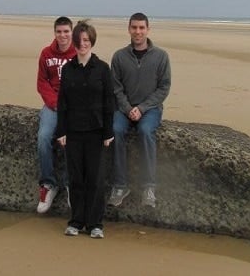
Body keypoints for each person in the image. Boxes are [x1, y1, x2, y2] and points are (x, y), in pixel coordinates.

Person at [56, 20, 114, 239]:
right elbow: (62, 103)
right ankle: (76, 221)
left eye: (86, 40)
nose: (82, 44)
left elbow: (109, 102)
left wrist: (108, 132)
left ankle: (95, 224)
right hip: (73, 132)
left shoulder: (102, 69)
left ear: (92, 41)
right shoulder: (68, 69)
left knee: (96, 179)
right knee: (76, 178)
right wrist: (61, 131)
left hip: (96, 132)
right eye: (79, 41)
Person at [108, 12, 171, 208]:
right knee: (116, 131)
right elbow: (115, 88)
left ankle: (149, 187)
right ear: (129, 29)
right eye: (134, 27)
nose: (138, 31)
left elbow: (164, 87)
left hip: (150, 109)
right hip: (123, 108)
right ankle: (119, 186)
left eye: (142, 28)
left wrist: (142, 108)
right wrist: (128, 109)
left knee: (145, 131)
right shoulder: (119, 56)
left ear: (148, 29)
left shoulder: (161, 56)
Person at [36, 16, 76, 214]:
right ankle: (48, 184)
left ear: (72, 32)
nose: (63, 35)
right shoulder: (46, 53)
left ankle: (70, 185)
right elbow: (42, 83)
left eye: (66, 31)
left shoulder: (78, 53)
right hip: (52, 106)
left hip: (74, 107)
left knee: (72, 139)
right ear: (55, 33)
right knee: (44, 137)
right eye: (59, 32)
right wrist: (55, 104)